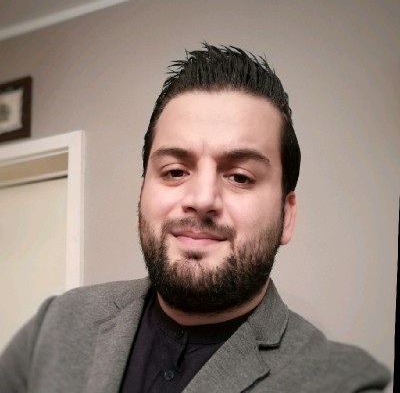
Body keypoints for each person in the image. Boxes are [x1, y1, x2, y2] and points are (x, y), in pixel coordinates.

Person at [0, 44, 391, 393]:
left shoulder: (341, 383)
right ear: (142, 194)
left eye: (240, 177)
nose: (202, 199)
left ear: (286, 216)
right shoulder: (55, 326)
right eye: (174, 171)